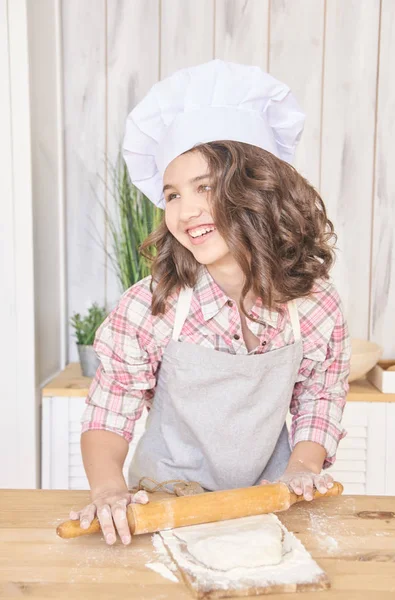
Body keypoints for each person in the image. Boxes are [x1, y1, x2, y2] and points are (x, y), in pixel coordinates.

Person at [70, 60, 351, 546]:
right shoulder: (152, 305)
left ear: (258, 190)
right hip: (161, 502)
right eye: (173, 194)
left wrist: (302, 468)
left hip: (271, 503)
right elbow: (108, 412)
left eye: (205, 187)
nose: (185, 210)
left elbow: (320, 397)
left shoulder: (315, 304)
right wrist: (109, 489)